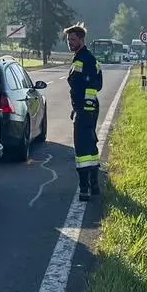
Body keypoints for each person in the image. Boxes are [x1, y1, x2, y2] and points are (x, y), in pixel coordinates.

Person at [64, 23, 103, 200]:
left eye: (73, 39)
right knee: (91, 145)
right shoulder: (87, 58)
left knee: (81, 150)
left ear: (81, 39)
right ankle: (94, 186)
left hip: (85, 110)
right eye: (68, 40)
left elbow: (90, 85)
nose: (70, 43)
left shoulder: (84, 59)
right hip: (87, 109)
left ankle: (84, 189)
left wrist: (83, 109)